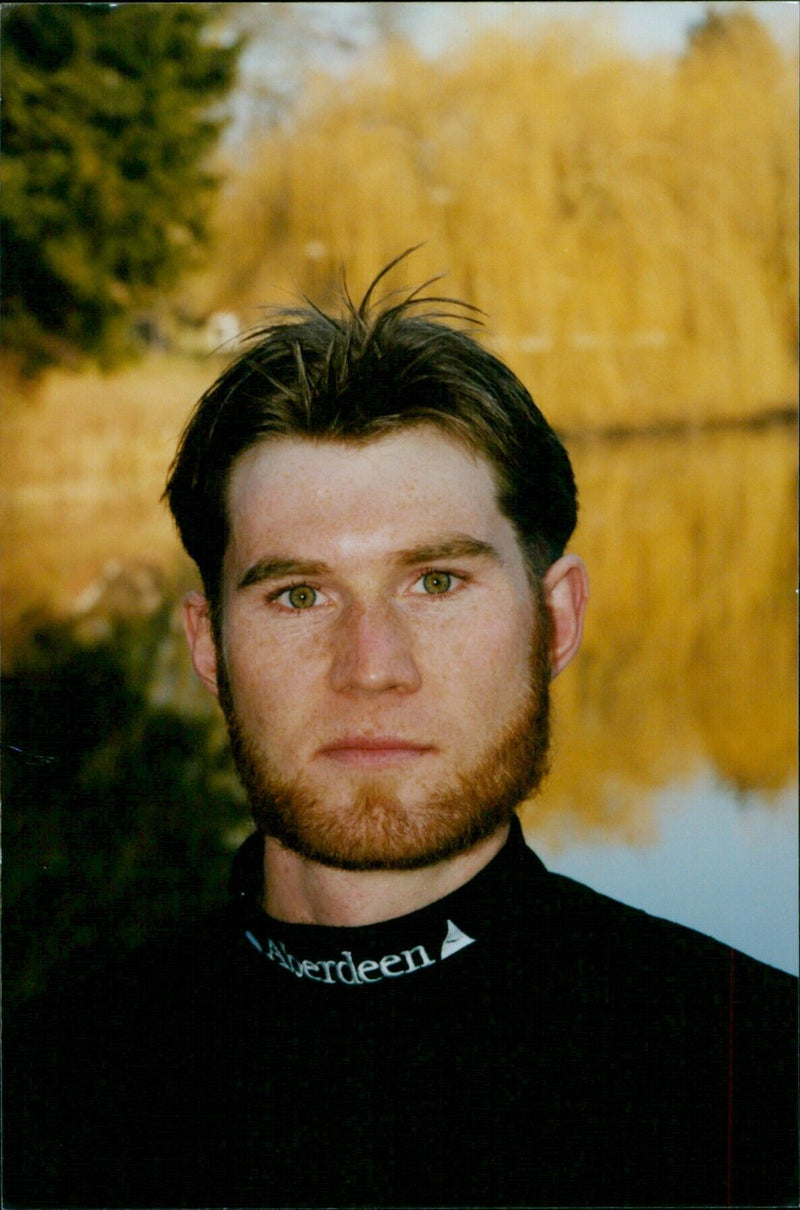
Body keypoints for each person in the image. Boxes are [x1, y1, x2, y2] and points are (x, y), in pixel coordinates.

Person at [4, 257, 797, 1209]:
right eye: (298, 595)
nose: (372, 664)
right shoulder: (47, 1088)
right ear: (208, 646)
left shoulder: (757, 1074)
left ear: (559, 619)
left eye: (436, 583)